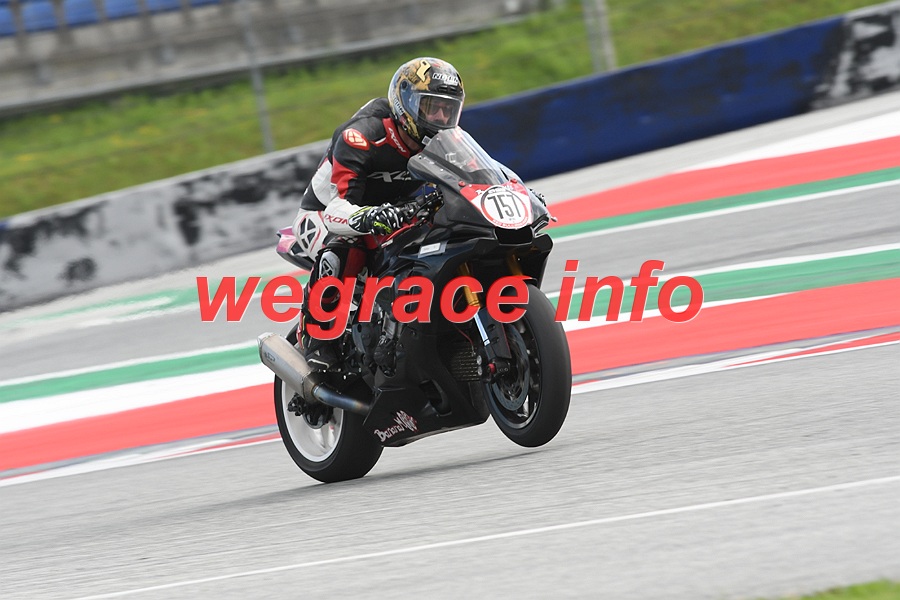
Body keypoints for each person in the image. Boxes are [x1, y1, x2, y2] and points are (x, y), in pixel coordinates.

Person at [291, 57, 467, 370]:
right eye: (432, 107)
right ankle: (317, 336)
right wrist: (373, 217)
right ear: (406, 103)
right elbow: (337, 209)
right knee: (347, 248)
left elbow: (473, 179)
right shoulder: (362, 135)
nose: (440, 117)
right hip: (325, 215)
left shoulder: (448, 141)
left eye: (447, 109)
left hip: (395, 212)